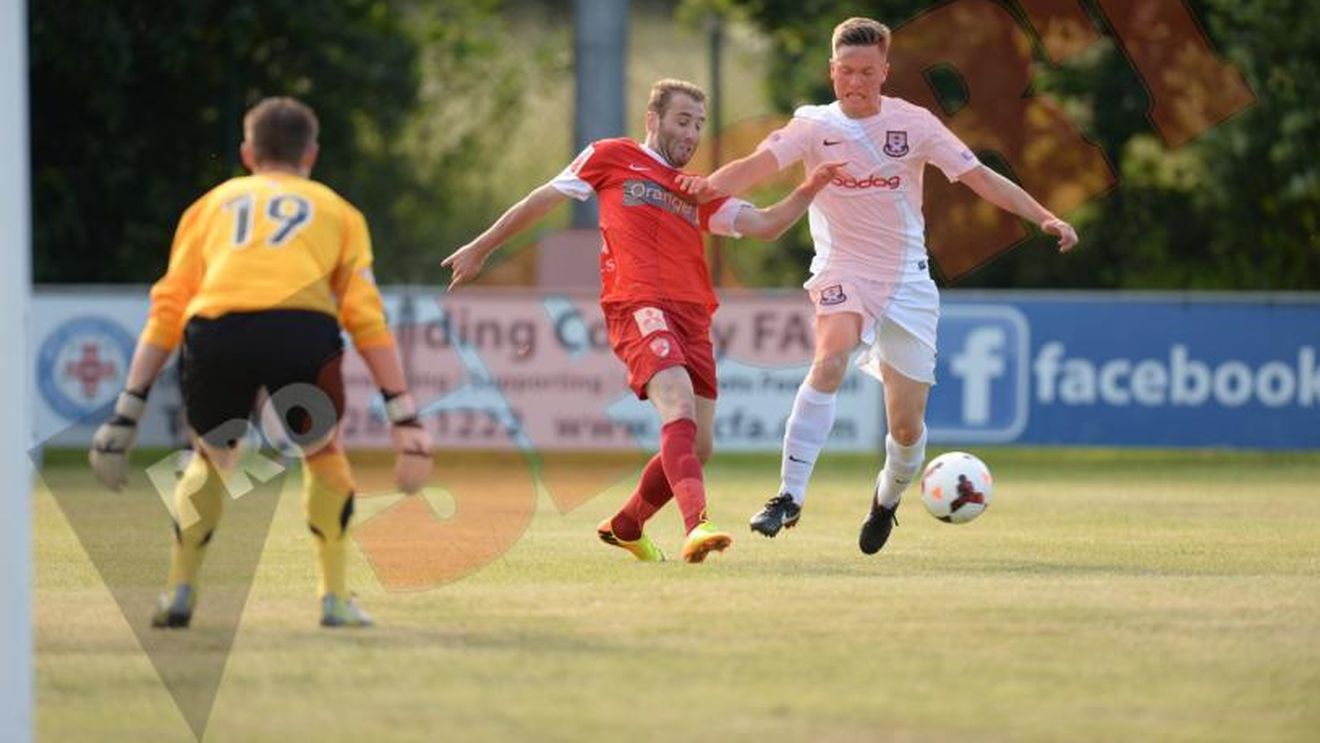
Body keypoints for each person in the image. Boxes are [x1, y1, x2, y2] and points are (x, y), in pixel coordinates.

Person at [678, 18, 1078, 554]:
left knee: (906, 429)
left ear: (885, 72)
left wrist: (1044, 215)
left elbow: (980, 176)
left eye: (867, 72)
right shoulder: (812, 125)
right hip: (843, 270)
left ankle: (886, 500)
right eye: (847, 71)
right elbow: (754, 166)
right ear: (832, 71)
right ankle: (788, 496)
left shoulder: (914, 124)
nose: (856, 82)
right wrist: (700, 189)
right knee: (829, 360)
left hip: (908, 282)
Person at [443, 79, 844, 563]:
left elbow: (766, 224)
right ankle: (697, 525)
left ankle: (627, 525)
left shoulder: (695, 189)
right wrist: (481, 248)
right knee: (677, 406)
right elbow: (542, 199)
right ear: (653, 120)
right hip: (637, 303)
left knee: (701, 444)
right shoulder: (613, 156)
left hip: (693, 316)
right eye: (682, 121)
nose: (691, 133)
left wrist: (813, 185)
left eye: (699, 124)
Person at [88, 97, 434, 628]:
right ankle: (334, 599)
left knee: (210, 457)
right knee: (323, 451)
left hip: (217, 329)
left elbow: (168, 309)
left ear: (248, 153)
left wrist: (126, 410)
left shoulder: (209, 206)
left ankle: (179, 591)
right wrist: (404, 418)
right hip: (301, 330)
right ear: (311, 154)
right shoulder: (339, 211)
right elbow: (366, 318)